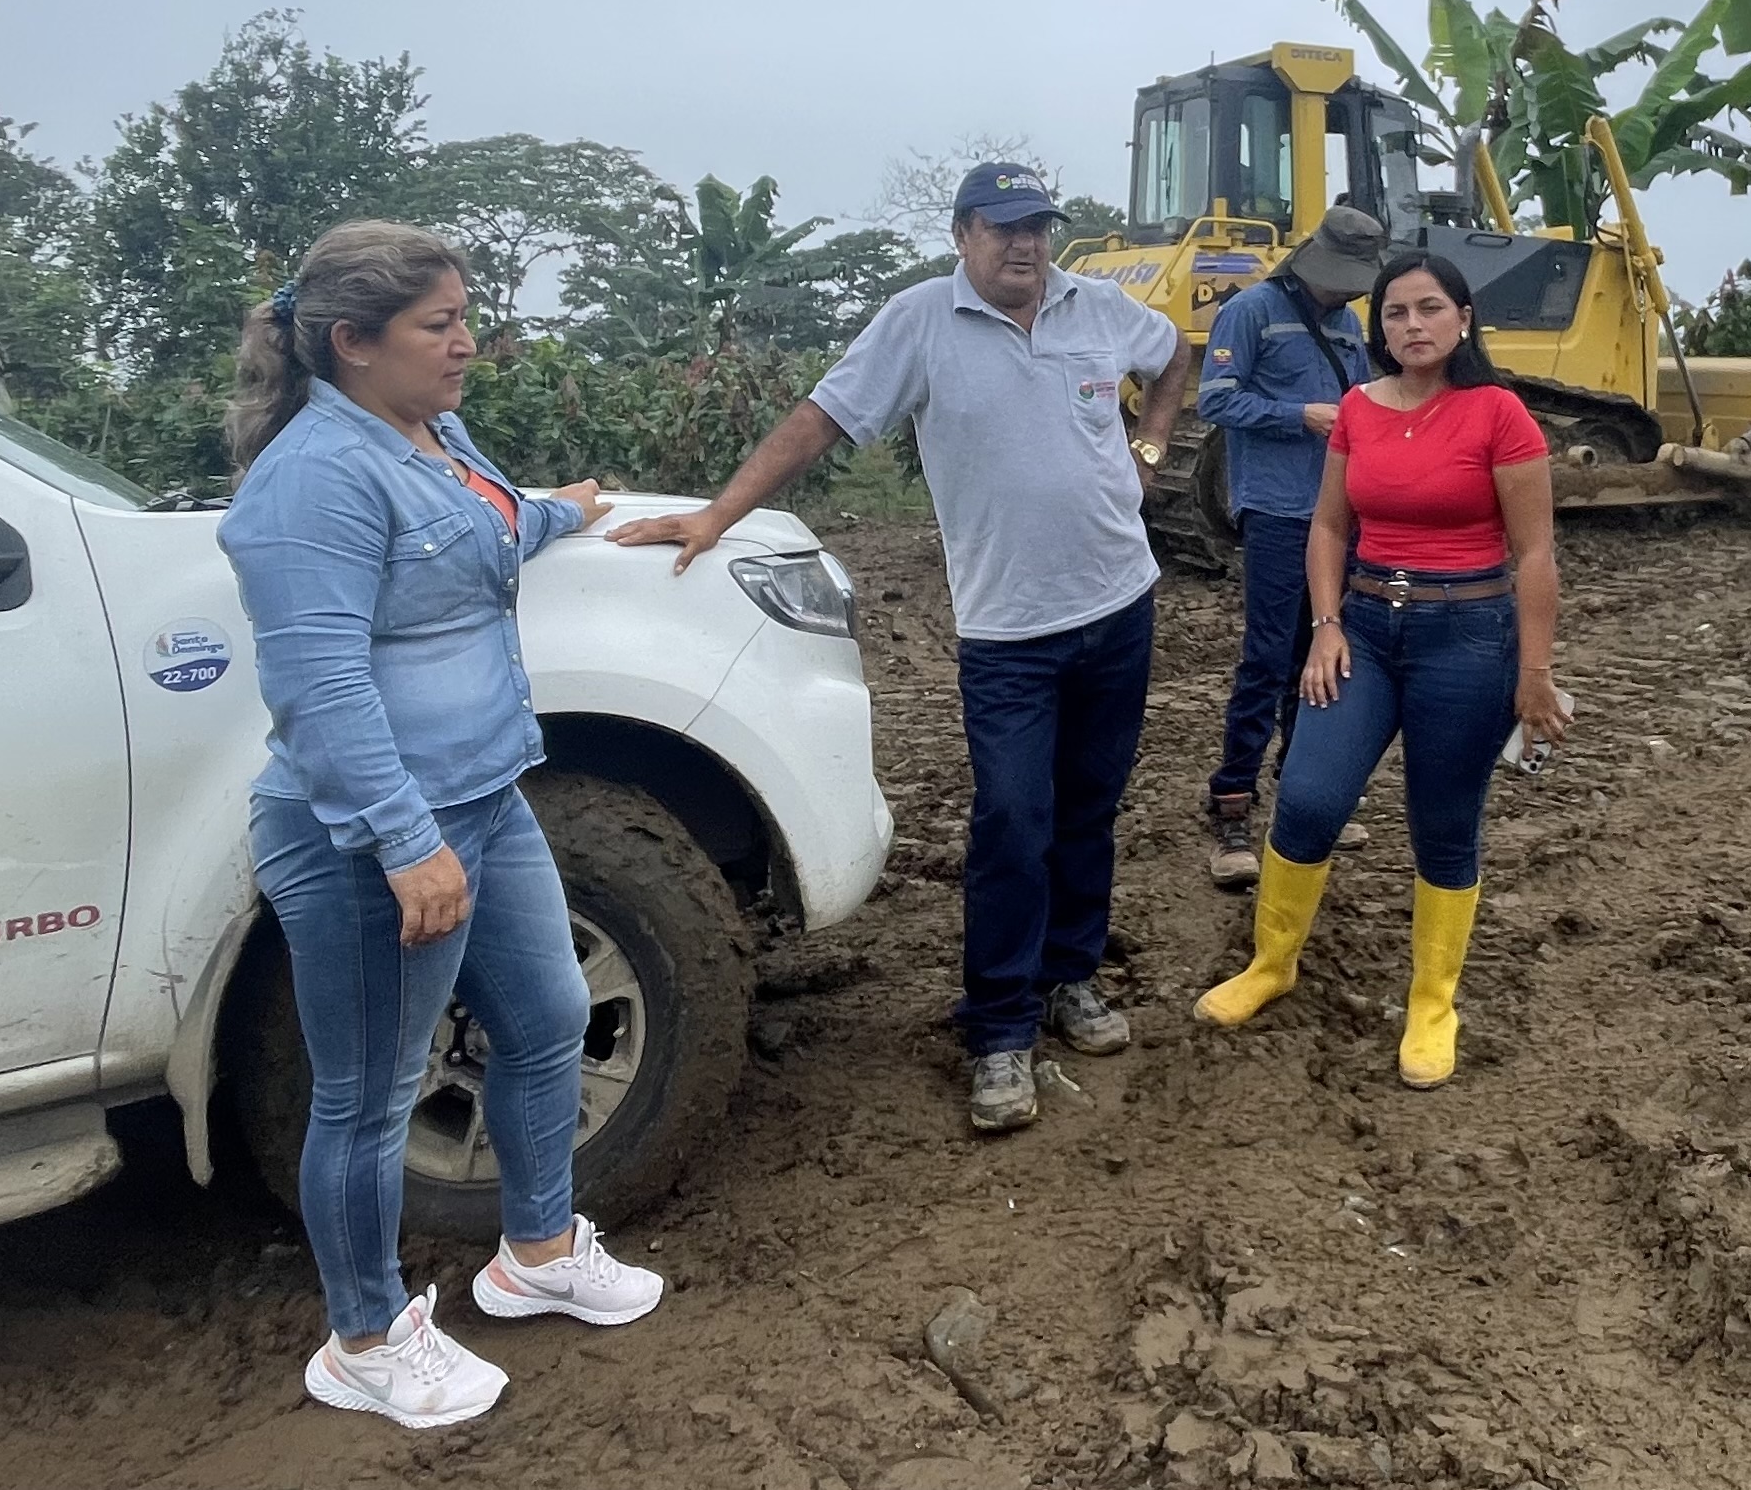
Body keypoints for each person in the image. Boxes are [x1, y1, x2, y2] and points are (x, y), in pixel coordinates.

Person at [615, 163, 1195, 1135]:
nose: (1026, 244)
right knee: (1013, 822)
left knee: (1091, 808)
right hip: (1010, 634)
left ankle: (1071, 977)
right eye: (1004, 228)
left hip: (1119, 607)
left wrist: (1151, 448)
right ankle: (1000, 1027)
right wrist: (717, 514)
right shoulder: (921, 323)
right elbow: (819, 421)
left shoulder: (1097, 307)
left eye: (1037, 226)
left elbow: (1175, 356)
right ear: (963, 236)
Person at [218, 221, 665, 1431]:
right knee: (369, 1095)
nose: (469, 342)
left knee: (551, 1017)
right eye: (441, 324)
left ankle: (536, 1254)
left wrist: (563, 511)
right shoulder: (313, 479)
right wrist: (404, 841)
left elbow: (487, 532)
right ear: (353, 343)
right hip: (373, 834)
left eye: (466, 316)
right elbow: (318, 685)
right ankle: (364, 1340)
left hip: (485, 795)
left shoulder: (433, 435)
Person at [1196, 249, 1564, 1088]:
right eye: (1395, 312)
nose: (1412, 325)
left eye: (1430, 308)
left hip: (1467, 638)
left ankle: (1432, 1002)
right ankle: (1271, 964)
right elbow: (1328, 527)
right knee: (1309, 798)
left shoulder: (1499, 414)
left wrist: (1535, 672)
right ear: (1379, 329)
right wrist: (1326, 626)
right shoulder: (1359, 409)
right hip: (1363, 630)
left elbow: (1537, 555)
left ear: (1463, 319)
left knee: (1444, 822)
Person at [1189, 205, 1385, 887]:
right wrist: (1297, 416)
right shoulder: (1251, 312)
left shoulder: (1349, 323)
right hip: (1276, 510)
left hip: (1341, 511)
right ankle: (1232, 804)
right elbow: (1215, 400)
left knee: (1326, 655)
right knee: (1269, 658)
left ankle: (1307, 793)